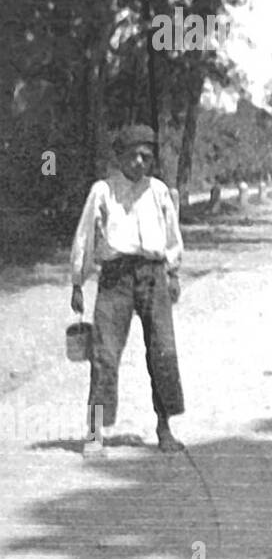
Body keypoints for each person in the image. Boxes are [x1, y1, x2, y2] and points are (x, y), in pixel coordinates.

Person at [69, 124, 185, 455]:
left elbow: (172, 237)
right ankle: (94, 434)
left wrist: (173, 272)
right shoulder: (102, 191)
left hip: (152, 276)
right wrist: (78, 281)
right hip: (115, 280)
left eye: (145, 156)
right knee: (104, 355)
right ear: (119, 156)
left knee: (163, 351)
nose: (138, 161)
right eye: (132, 155)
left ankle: (165, 429)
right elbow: (85, 238)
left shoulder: (159, 191)